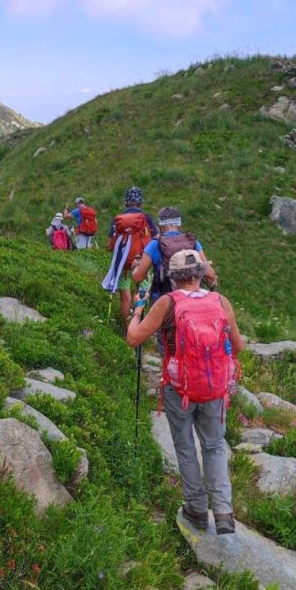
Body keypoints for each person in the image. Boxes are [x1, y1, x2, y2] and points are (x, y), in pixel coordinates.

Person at [126, 248, 243, 535]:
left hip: (180, 388)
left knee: (186, 446)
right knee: (214, 446)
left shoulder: (167, 302)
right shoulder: (220, 301)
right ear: (201, 274)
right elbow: (238, 347)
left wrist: (138, 310)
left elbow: (133, 338)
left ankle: (197, 509)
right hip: (215, 388)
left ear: (172, 276)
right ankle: (224, 513)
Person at [132, 206, 217, 302]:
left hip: (163, 302)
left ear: (161, 226)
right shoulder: (192, 242)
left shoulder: (155, 245)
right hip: (190, 300)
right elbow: (210, 274)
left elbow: (138, 277)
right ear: (179, 225)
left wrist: (136, 267)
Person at [103, 187, 158, 324]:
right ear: (140, 203)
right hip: (142, 263)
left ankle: (127, 327)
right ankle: (142, 327)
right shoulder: (147, 219)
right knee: (143, 294)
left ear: (126, 203)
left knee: (125, 298)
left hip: (123, 265)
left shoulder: (117, 221)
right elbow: (156, 240)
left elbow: (109, 247)